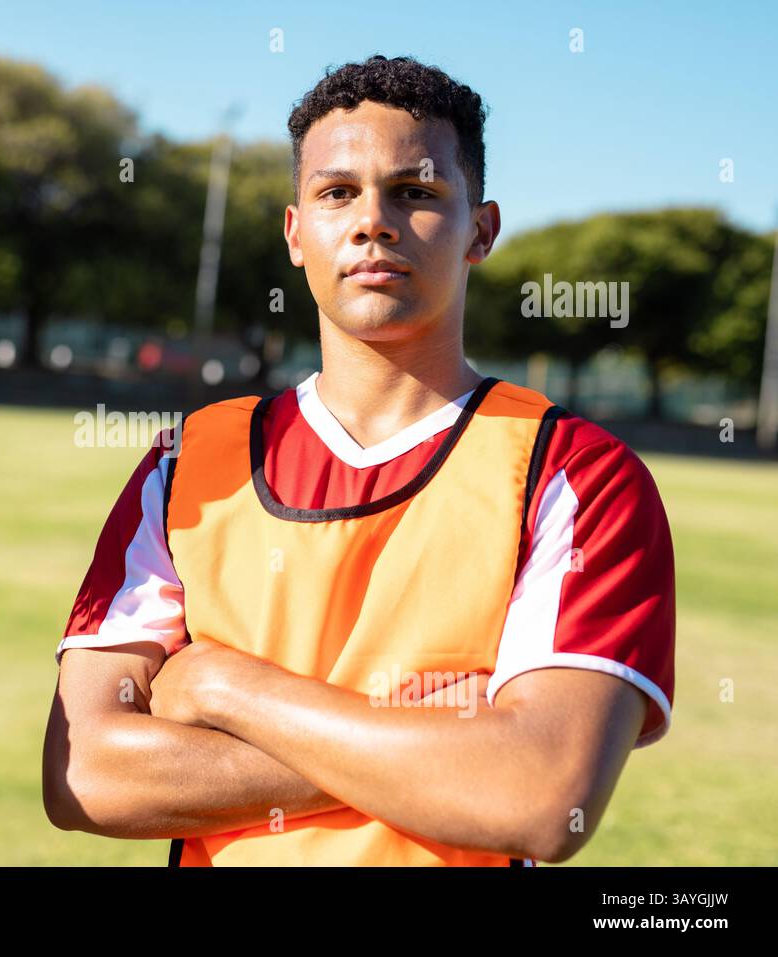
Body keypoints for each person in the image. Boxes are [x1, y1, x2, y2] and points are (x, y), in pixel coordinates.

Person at [42, 55, 675, 866]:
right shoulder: (188, 464)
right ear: (296, 233)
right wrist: (443, 746)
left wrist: (229, 688)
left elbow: (541, 798)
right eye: (337, 192)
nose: (373, 220)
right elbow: (86, 774)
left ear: (481, 230)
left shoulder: (578, 475)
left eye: (415, 192)